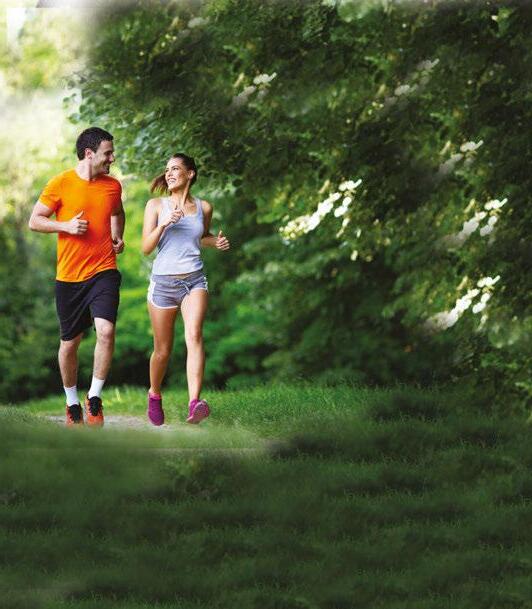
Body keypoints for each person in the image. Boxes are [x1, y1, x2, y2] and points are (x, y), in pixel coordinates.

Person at [28, 127, 125, 427]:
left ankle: (94, 398)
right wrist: (66, 226)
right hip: (69, 277)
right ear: (89, 153)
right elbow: (35, 220)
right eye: (108, 153)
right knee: (70, 344)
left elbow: (117, 213)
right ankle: (72, 402)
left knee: (106, 331)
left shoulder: (113, 186)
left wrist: (117, 236)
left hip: (104, 271)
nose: (112, 158)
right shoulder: (60, 183)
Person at [142, 153, 230, 425]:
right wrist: (165, 223)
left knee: (194, 335)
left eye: (175, 168)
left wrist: (215, 242)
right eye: (167, 169)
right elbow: (145, 248)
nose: (169, 173)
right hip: (163, 284)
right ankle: (154, 394)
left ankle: (195, 402)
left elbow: (200, 237)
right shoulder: (156, 205)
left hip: (194, 280)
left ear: (190, 174)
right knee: (162, 351)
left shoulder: (204, 207)